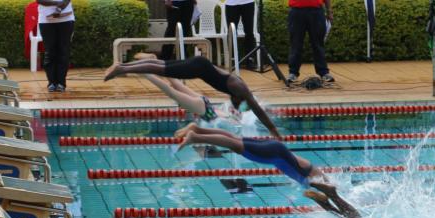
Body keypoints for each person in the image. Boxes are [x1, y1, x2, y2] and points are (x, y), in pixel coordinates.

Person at [104, 57, 281, 138]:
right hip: (198, 68)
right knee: (160, 69)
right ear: (241, 100)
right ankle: (122, 69)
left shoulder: (237, 88)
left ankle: (123, 66)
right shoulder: (240, 89)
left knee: (160, 65)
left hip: (200, 65)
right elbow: (257, 109)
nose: (235, 105)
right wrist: (273, 129)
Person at [176, 125, 324, 185]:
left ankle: (198, 129)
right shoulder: (314, 182)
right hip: (273, 154)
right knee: (233, 144)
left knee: (233, 139)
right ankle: (196, 137)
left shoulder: (314, 172)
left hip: (275, 149)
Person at [287, 0, 334, 83]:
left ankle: (323, 72)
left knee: (318, 44)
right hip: (297, 11)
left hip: (316, 11)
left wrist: (329, 11)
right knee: (296, 44)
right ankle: (293, 73)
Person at [37, 0, 75, 92]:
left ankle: (61, 83)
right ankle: (51, 83)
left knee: (63, 51)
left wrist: (60, 8)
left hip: (66, 19)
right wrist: (57, 3)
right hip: (46, 21)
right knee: (50, 52)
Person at [225, 0, 257, 68]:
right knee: (231, 33)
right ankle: (234, 60)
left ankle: (250, 59)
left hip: (248, 2)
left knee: (249, 32)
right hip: (231, 4)